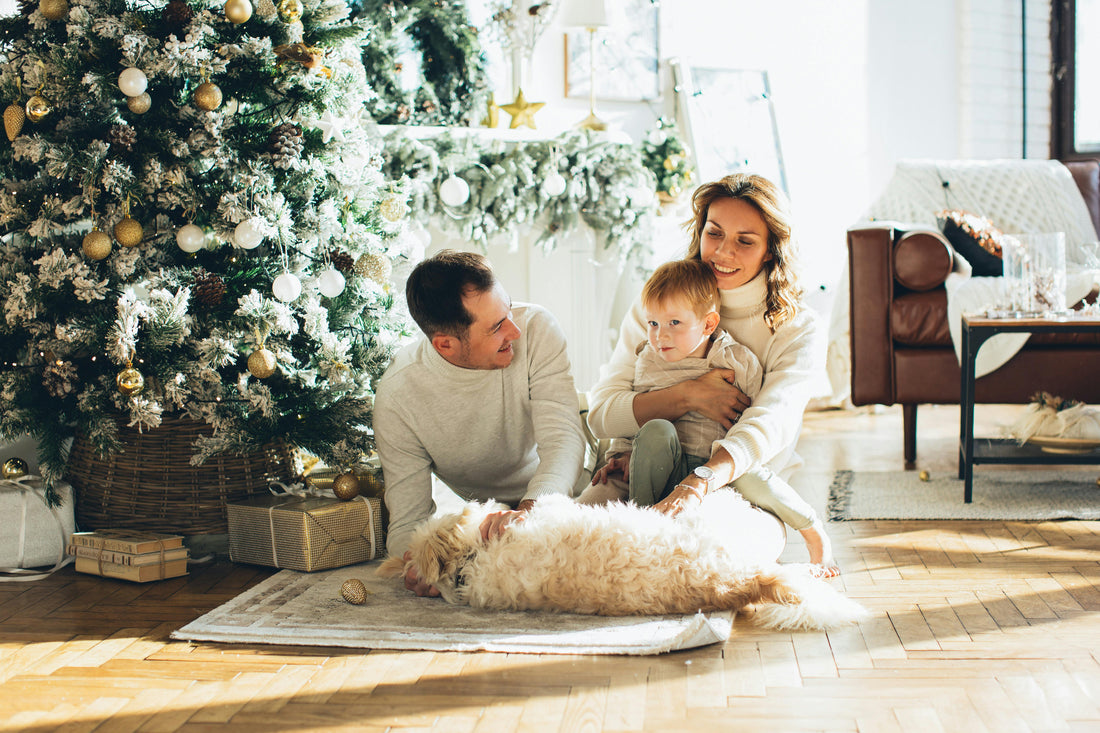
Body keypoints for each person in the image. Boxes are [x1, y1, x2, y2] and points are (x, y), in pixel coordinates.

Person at [587, 173, 835, 574]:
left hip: (741, 486)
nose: (722, 252)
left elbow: (770, 423)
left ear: (772, 250)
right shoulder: (659, 303)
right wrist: (688, 395)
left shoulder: (798, 327)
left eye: (745, 241)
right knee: (569, 544)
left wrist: (698, 483)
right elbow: (602, 413)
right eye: (714, 233)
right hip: (640, 469)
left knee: (702, 563)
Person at [374, 250, 587, 595]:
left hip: (567, 491)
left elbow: (563, 440)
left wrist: (529, 512)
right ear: (446, 345)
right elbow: (407, 522)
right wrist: (418, 563)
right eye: (496, 326)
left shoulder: (537, 329)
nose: (515, 330)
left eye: (508, 309)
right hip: (484, 522)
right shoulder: (399, 396)